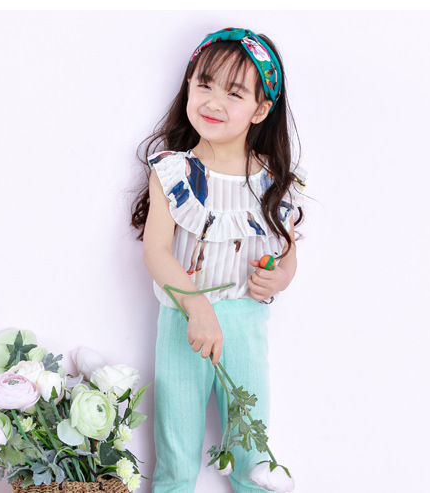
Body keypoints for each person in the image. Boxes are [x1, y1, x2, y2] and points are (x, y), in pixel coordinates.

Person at [130, 27, 305, 492]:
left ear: (261, 109)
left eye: (234, 92)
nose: (214, 101)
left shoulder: (273, 179)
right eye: (204, 84)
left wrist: (279, 279)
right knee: (176, 447)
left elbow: (288, 256)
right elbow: (156, 251)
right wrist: (197, 307)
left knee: (252, 448)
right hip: (183, 320)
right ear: (188, 85)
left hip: (245, 319)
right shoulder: (173, 170)